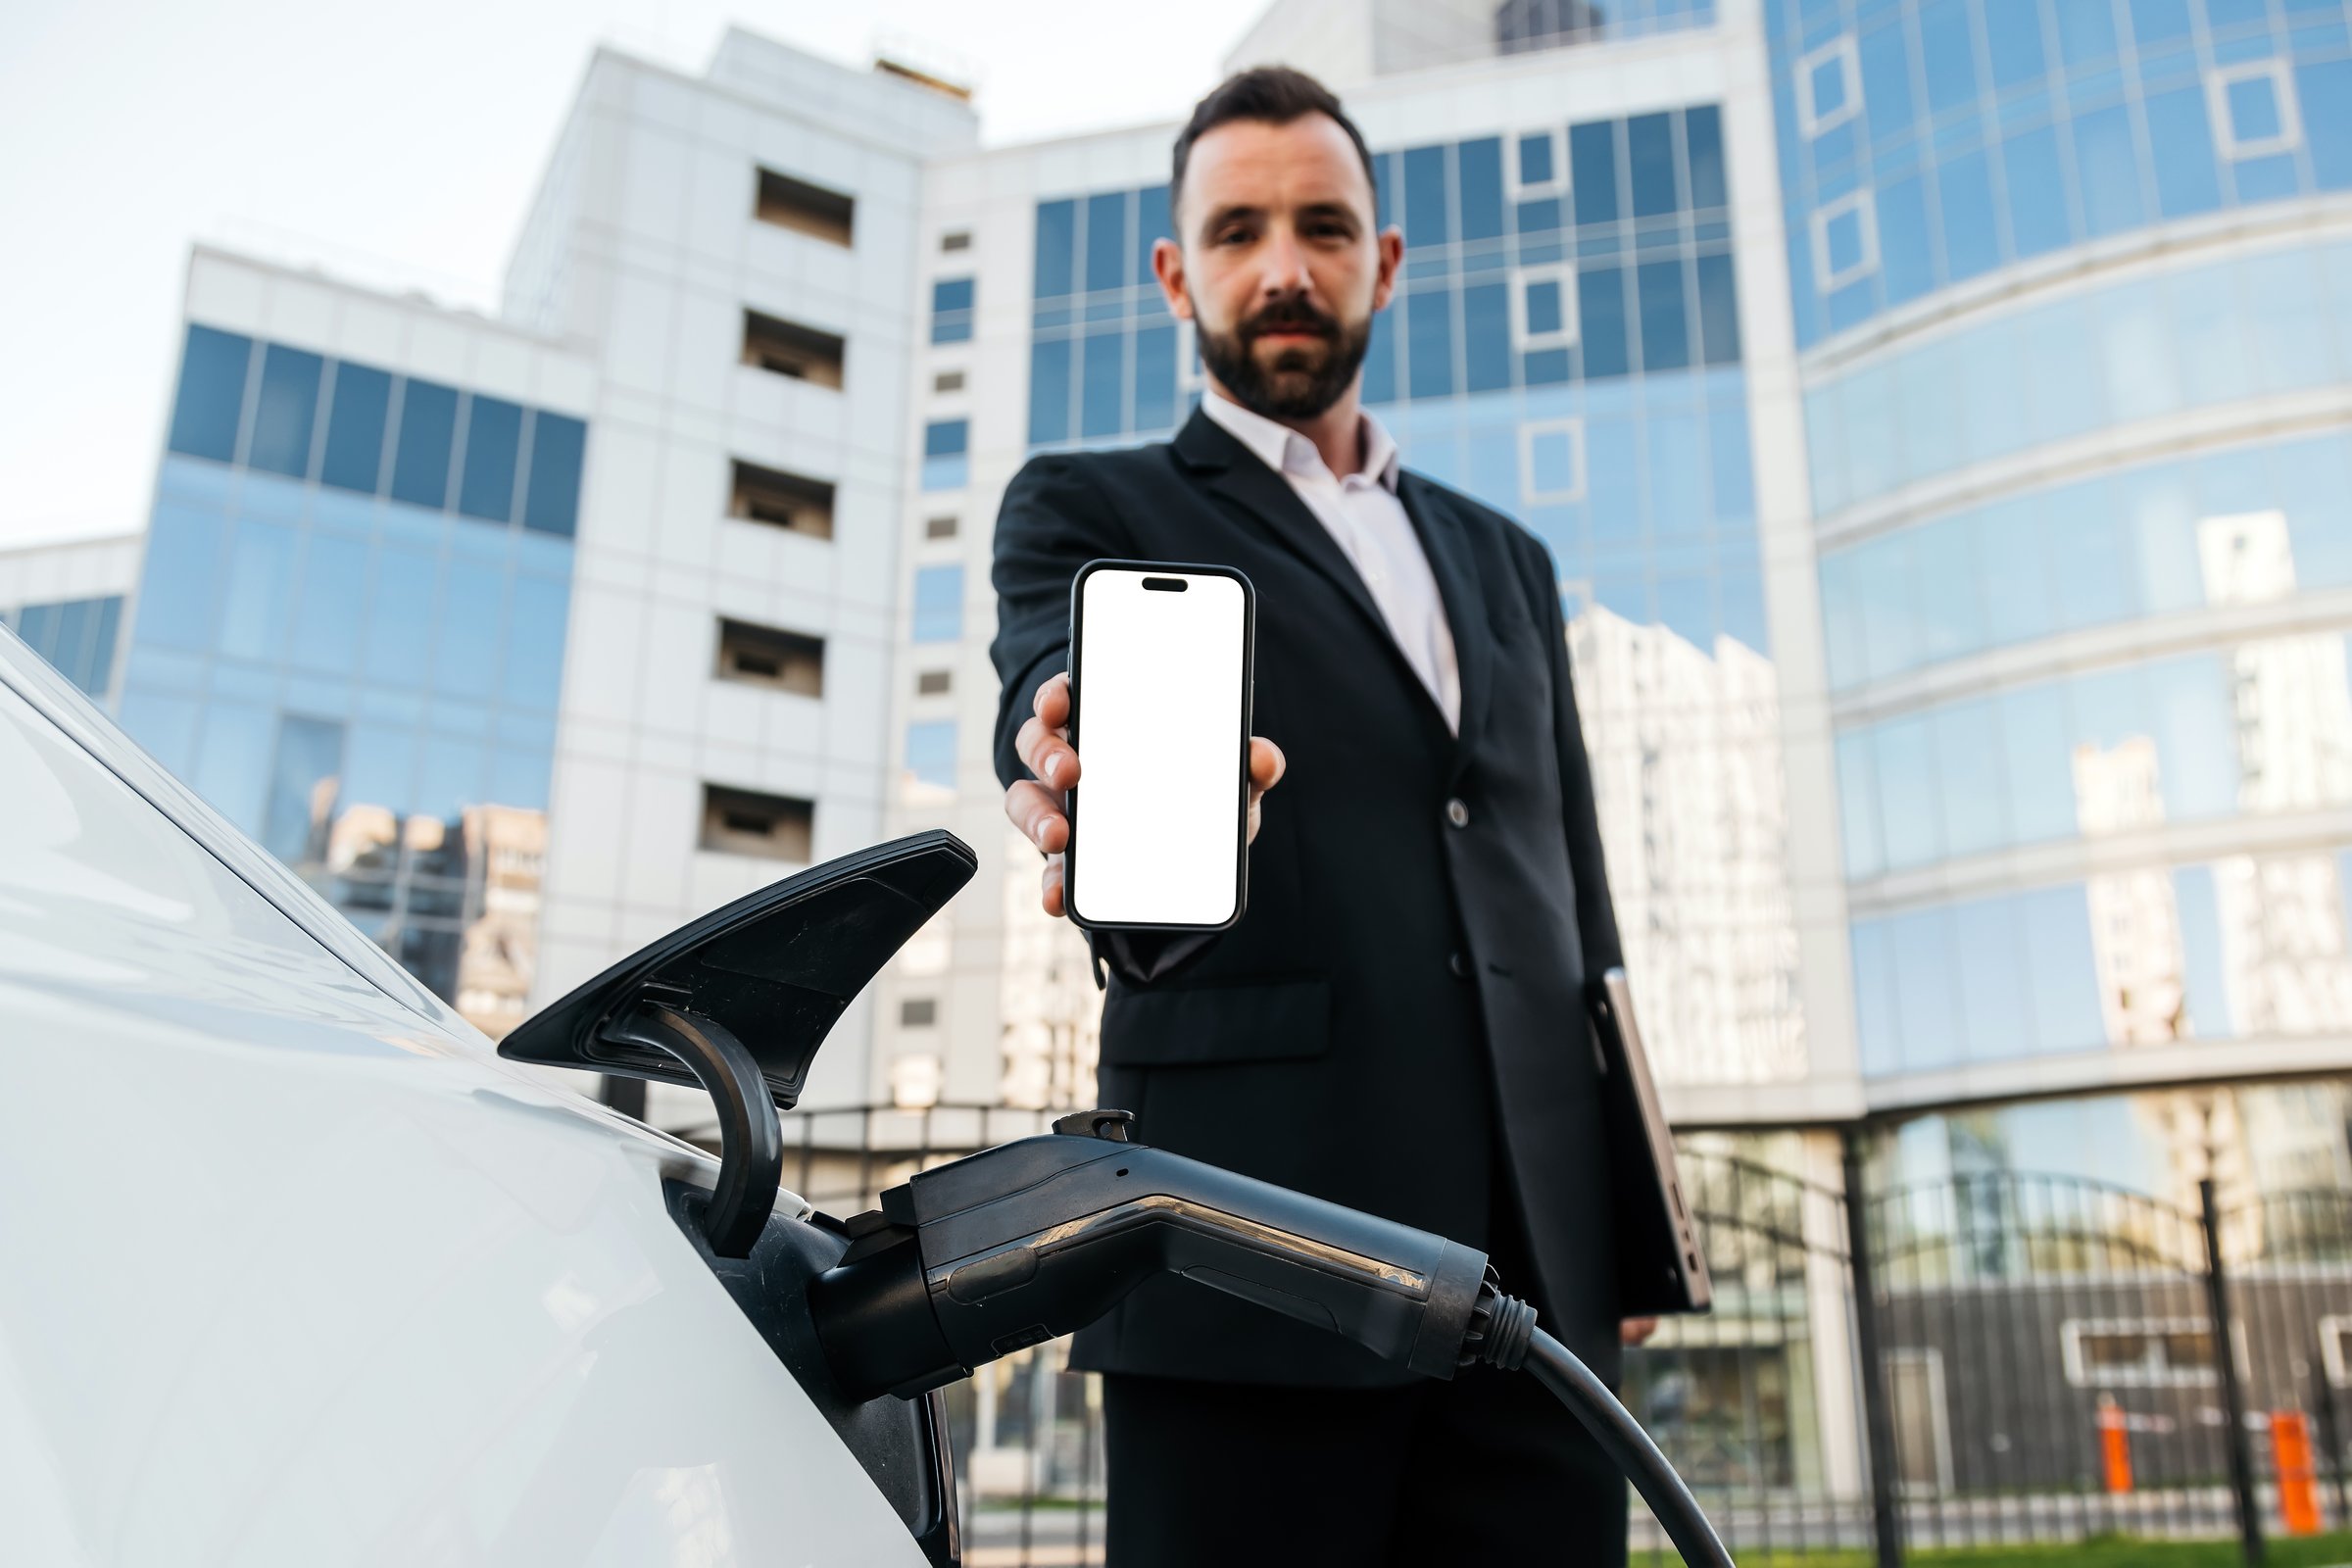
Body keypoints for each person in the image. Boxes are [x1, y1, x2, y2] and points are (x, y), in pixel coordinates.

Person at [989, 66, 1653, 1566]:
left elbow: (1576, 894)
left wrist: (1615, 1215)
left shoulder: (1509, 561)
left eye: (1323, 227)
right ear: (1177, 273)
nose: (1283, 267)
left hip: (1539, 1293)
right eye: (1237, 231)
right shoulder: (1091, 506)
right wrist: (1067, 732)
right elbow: (1046, 669)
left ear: (1385, 260)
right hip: (1247, 1262)